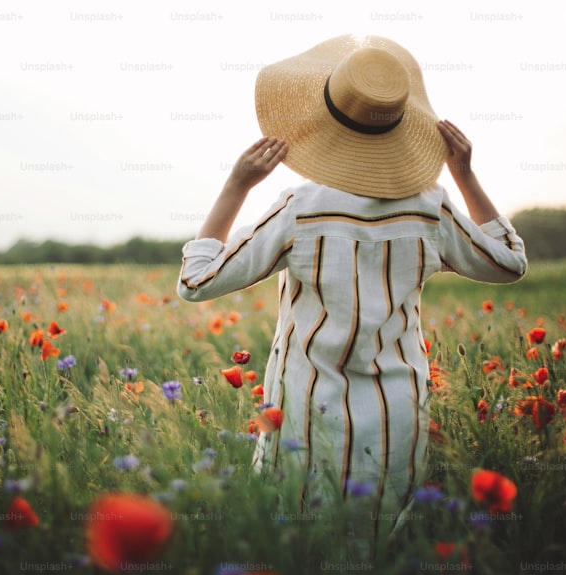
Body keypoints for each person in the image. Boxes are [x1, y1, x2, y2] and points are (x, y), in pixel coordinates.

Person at [177, 35, 527, 542]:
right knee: (381, 551)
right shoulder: (432, 207)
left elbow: (196, 280)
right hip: (398, 414)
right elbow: (510, 262)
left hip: (306, 411)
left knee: (303, 547)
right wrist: (465, 176)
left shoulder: (299, 207)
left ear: (323, 119)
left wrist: (236, 185)